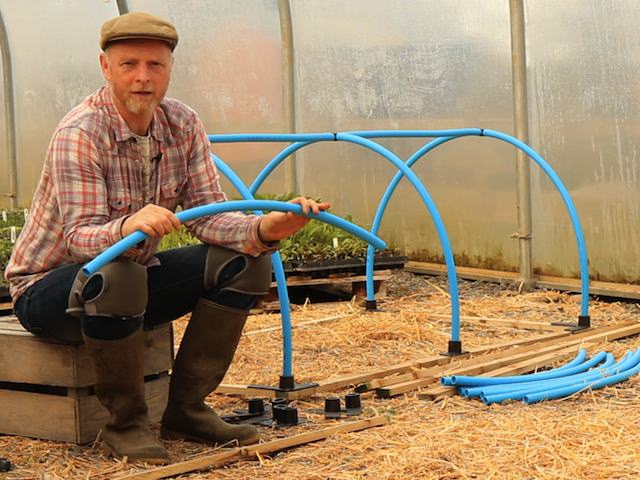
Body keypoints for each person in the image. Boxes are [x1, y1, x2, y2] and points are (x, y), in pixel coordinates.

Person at [5, 11, 329, 464]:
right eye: (129, 65)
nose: (142, 78)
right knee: (118, 274)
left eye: (155, 66)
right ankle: (127, 424)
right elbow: (81, 241)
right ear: (105, 67)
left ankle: (186, 410)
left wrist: (263, 229)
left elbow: (208, 216)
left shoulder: (182, 124)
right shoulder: (80, 133)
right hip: (49, 290)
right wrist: (129, 226)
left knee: (242, 263)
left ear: (170, 69)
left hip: (127, 281)